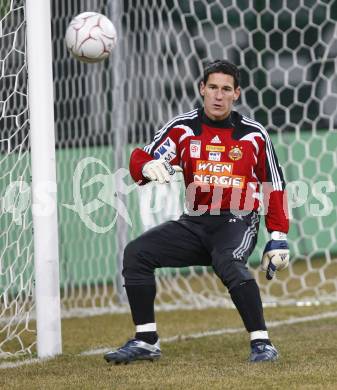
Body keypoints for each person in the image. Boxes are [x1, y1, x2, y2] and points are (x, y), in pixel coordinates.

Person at [104, 59, 290, 364]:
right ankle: (146, 340)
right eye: (213, 87)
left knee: (227, 260)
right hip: (195, 222)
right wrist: (147, 165)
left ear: (237, 94)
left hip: (238, 219)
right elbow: (142, 158)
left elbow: (275, 184)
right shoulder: (182, 129)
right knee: (136, 253)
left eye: (226, 89)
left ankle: (262, 344)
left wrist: (278, 236)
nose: (219, 95)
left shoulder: (253, 135)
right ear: (201, 89)